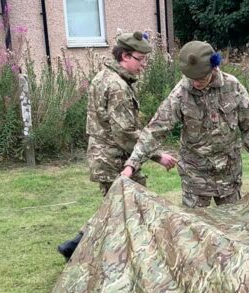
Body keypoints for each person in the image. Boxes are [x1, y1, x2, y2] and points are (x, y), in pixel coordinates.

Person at [57, 31, 176, 260]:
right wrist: (157, 155)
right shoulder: (117, 87)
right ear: (124, 56)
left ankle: (75, 246)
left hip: (103, 155)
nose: (144, 66)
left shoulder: (102, 77)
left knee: (116, 207)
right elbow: (126, 133)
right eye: (140, 60)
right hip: (114, 159)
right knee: (131, 207)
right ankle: (105, 254)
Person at [121, 40, 249, 208]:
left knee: (233, 227)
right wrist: (132, 164)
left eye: (201, 78)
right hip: (195, 179)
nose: (196, 83)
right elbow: (155, 131)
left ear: (214, 68)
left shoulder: (233, 87)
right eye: (192, 78)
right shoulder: (180, 94)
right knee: (194, 230)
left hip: (229, 175)